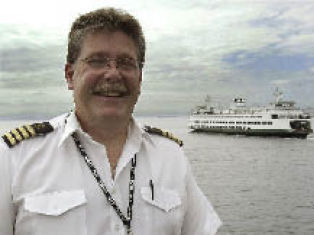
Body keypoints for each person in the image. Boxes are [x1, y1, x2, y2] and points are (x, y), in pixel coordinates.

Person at [0, 8, 221, 235]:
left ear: (140, 78)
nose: (113, 74)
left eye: (126, 63)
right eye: (97, 61)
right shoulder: (15, 157)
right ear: (70, 75)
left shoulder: (171, 156)